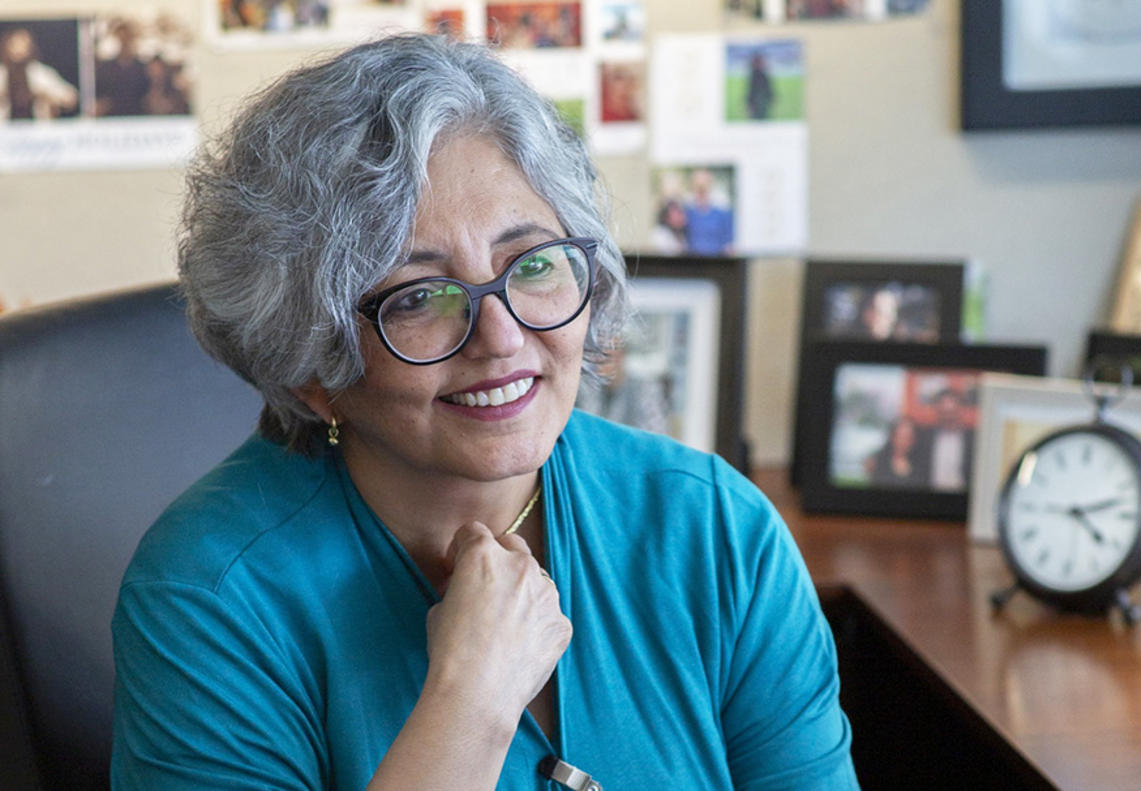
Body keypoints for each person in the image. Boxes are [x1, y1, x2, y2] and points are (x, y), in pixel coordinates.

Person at [110, 34, 857, 790]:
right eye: (419, 297)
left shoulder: (716, 531)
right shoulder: (210, 594)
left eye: (531, 263)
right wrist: (471, 700)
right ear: (310, 367)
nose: (503, 338)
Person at [0, 27, 78, 121]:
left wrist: (47, 95)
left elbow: (71, 98)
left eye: (23, 45)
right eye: (15, 45)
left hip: (38, 131)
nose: (19, 50)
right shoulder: (2, 74)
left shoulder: (40, 74)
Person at [682, 167, 735, 256]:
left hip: (716, 262)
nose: (701, 189)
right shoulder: (687, 213)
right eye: (698, 185)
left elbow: (729, 245)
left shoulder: (723, 214)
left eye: (704, 185)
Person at [864, 416, 927, 489]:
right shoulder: (878, 462)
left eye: (908, 438)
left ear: (913, 441)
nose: (903, 442)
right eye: (900, 437)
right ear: (892, 437)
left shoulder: (920, 467)